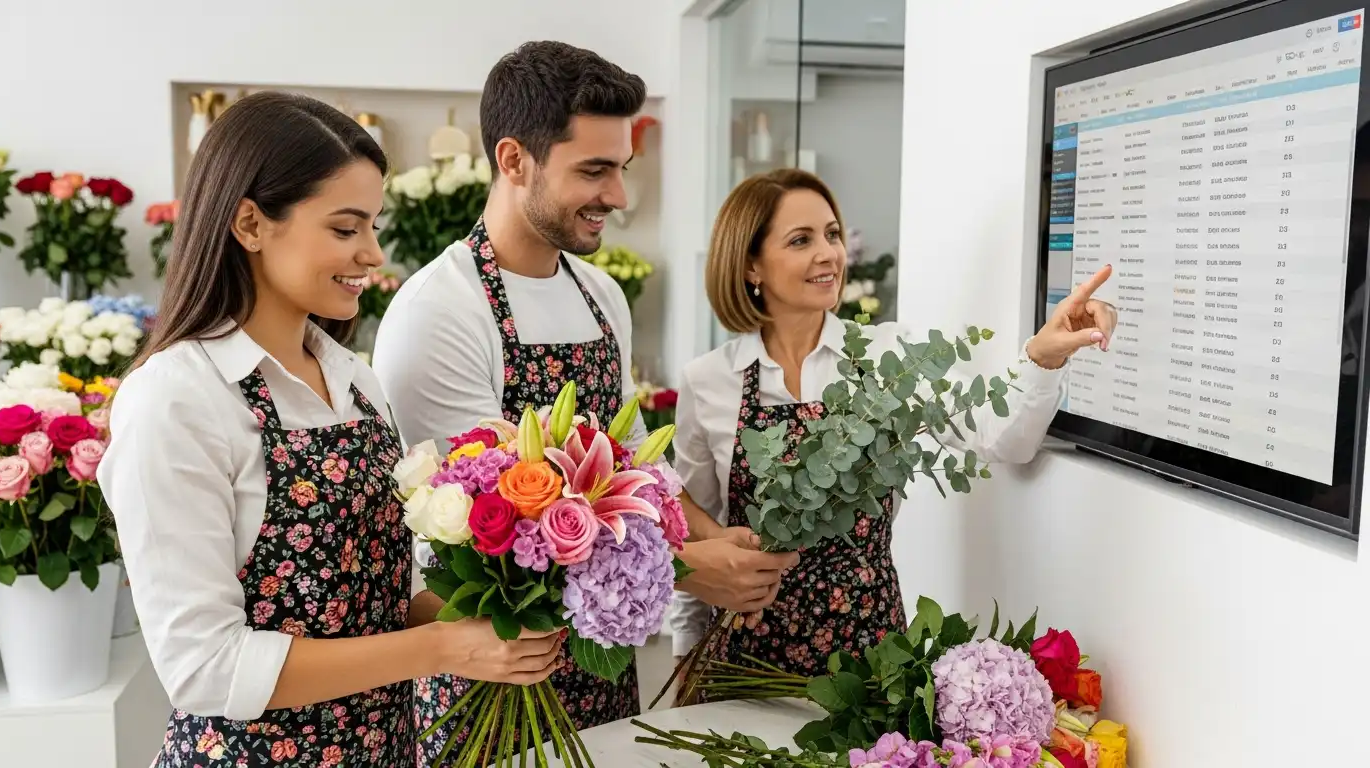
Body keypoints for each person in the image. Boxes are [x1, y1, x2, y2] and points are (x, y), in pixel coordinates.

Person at [98, 91, 563, 768]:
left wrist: (494, 614)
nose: (373, 254)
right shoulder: (176, 400)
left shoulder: (353, 380)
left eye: (373, 226)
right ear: (251, 224)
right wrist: (444, 648)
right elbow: (204, 667)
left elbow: (378, 593)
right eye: (346, 229)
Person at [373, 41, 796, 761]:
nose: (619, 197)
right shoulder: (439, 311)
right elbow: (495, 531)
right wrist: (690, 567)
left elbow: (622, 467)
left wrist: (703, 531)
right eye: (593, 171)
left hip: (602, 657)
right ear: (514, 161)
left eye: (621, 169)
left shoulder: (601, 296)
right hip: (498, 666)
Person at [667, 168, 1118, 685]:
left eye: (832, 234)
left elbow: (1004, 438)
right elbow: (694, 538)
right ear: (751, 266)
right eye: (801, 240)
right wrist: (685, 659)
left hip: (866, 664)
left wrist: (1042, 354)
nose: (828, 254)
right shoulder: (708, 382)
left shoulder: (889, 358)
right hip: (742, 666)